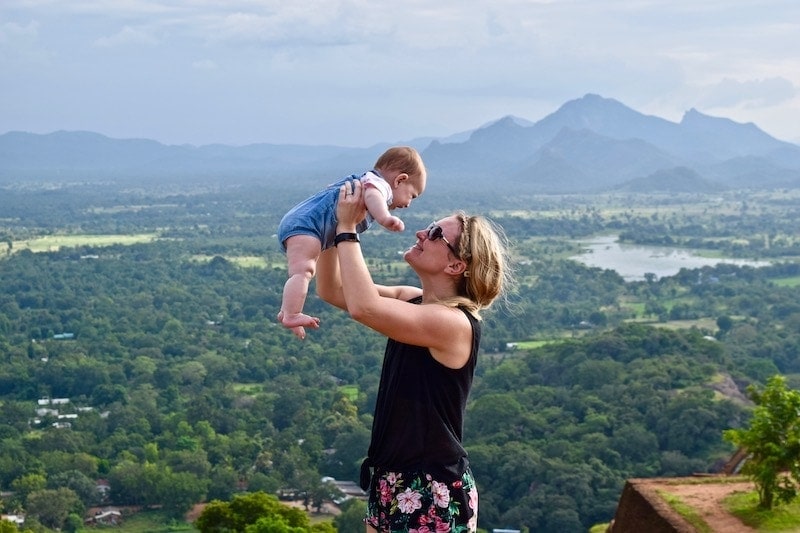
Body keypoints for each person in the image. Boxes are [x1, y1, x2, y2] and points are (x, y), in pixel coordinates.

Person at [316, 179, 512, 533]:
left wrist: (348, 228)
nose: (422, 232)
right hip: (391, 479)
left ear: (456, 266)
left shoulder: (453, 324)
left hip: (430, 488)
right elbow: (333, 290)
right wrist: (330, 222)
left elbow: (364, 308)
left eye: (436, 234)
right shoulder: (414, 301)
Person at [277, 146, 427, 339]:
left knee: (301, 272)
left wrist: (342, 225)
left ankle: (288, 311)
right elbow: (374, 196)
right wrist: (384, 218)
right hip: (307, 225)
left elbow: (337, 292)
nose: (408, 204)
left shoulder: (365, 180)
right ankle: (291, 314)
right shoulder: (379, 185)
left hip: (304, 224)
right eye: (412, 195)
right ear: (400, 180)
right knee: (303, 271)